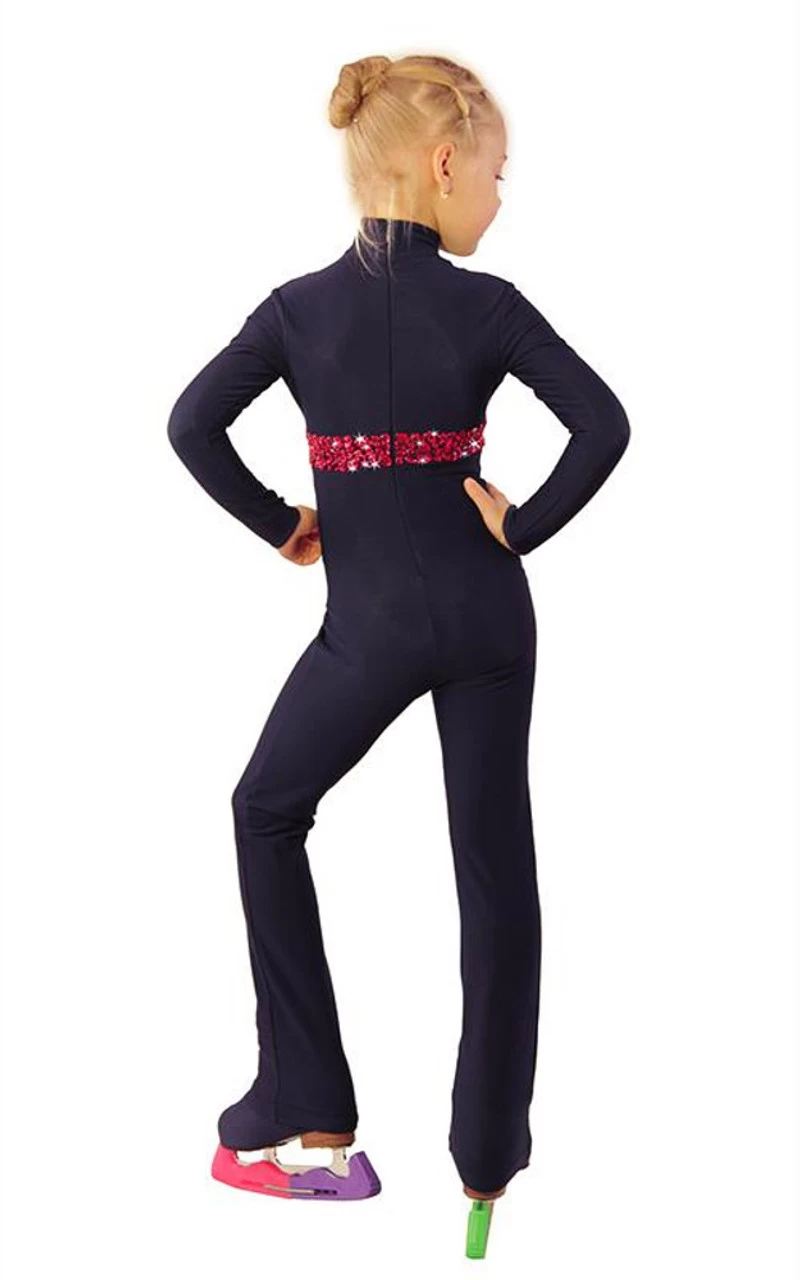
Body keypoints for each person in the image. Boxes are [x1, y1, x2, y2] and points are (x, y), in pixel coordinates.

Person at [167, 53, 630, 1215]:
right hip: (485, 616)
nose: (500, 195)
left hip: (365, 630)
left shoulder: (295, 311)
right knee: (493, 868)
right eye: (497, 172)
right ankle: (486, 1156)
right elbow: (602, 424)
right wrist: (521, 526)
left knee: (264, 809)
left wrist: (282, 522)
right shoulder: (490, 305)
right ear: (442, 164)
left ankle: (306, 1099)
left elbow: (191, 423)